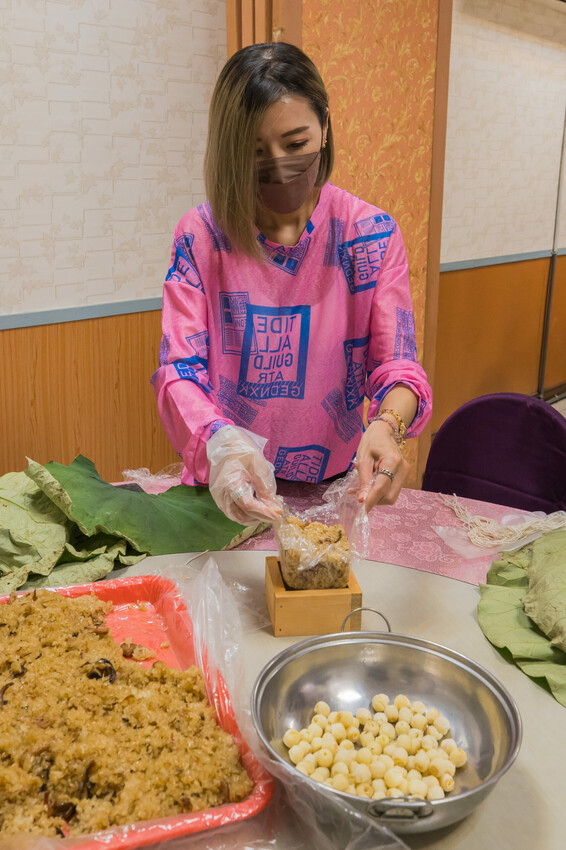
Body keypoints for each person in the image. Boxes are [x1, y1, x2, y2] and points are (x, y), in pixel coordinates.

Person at [151, 42, 432, 525]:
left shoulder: (369, 234)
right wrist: (221, 446)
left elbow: (398, 366)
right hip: (227, 485)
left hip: (332, 486)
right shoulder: (201, 237)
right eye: (254, 152)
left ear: (324, 125)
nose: (279, 166)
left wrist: (389, 426)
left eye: (296, 143)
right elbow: (179, 370)